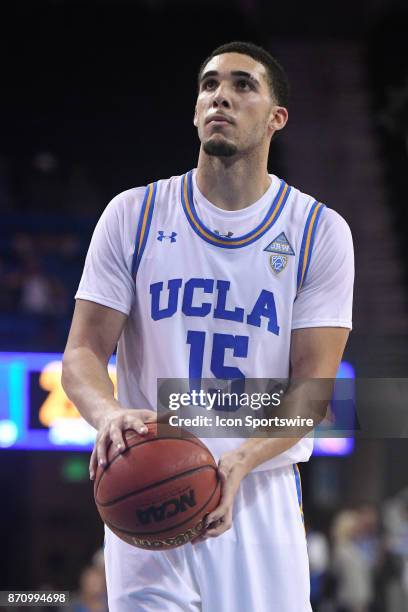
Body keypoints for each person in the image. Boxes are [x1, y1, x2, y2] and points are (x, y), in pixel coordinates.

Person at [62, 41, 354, 611]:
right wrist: (109, 415)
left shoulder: (319, 231)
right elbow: (82, 354)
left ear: (277, 118)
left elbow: (312, 392)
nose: (222, 94)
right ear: (197, 109)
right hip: (146, 495)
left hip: (258, 495)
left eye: (244, 84)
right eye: (209, 84)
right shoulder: (134, 214)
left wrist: (242, 460)